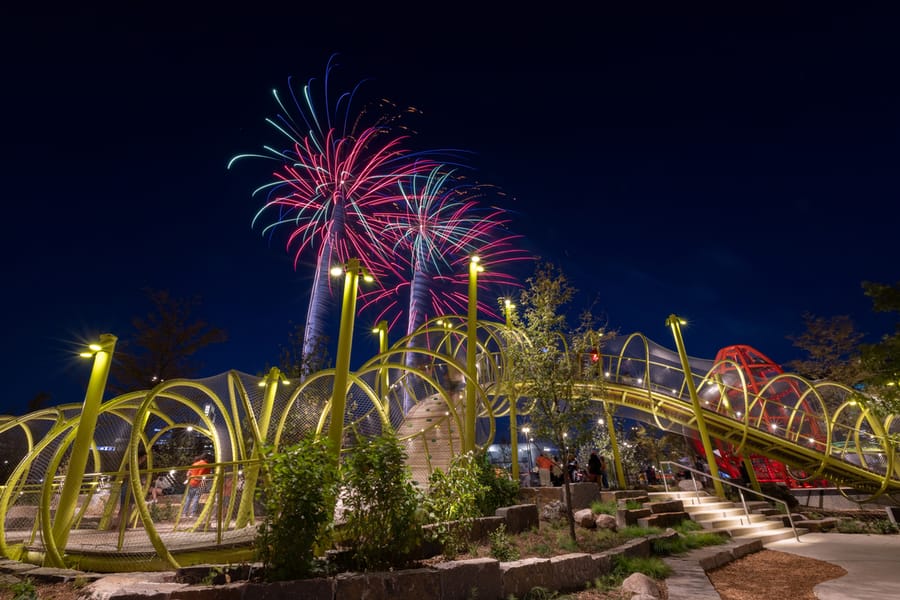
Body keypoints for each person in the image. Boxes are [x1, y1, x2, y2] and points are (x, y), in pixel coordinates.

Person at [182, 453, 210, 518]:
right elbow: (206, 475)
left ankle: (184, 513)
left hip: (191, 482)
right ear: (207, 459)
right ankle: (192, 513)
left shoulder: (195, 464)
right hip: (199, 483)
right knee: (196, 498)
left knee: (188, 498)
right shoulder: (206, 465)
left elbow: (188, 473)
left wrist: (188, 479)